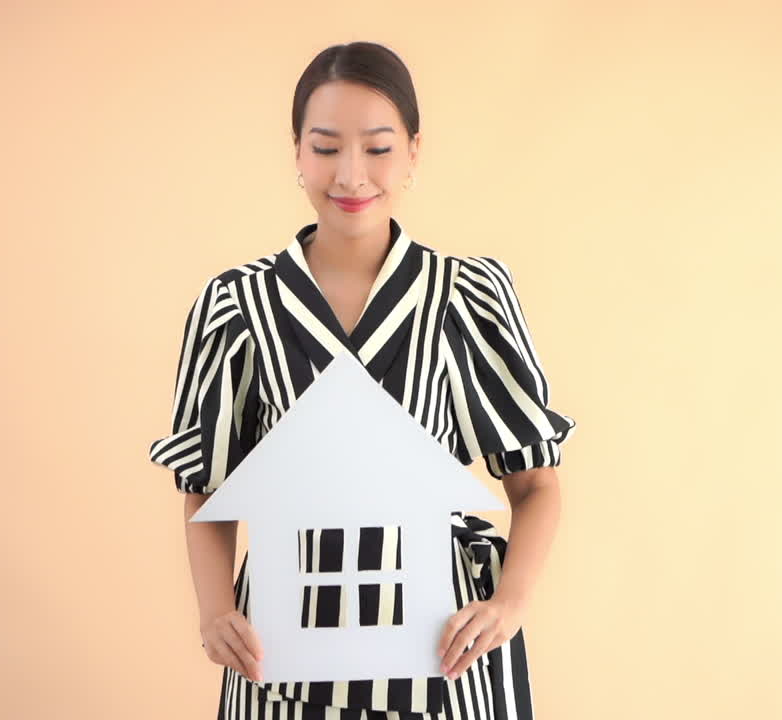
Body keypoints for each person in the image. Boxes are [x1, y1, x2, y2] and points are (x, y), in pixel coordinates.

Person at [147, 41, 576, 720]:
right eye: (326, 147)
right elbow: (206, 486)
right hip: (284, 648)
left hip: (444, 654)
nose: (351, 175)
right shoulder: (237, 305)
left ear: (413, 152)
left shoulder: (468, 295)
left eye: (378, 148)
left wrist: (509, 603)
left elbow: (536, 484)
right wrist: (215, 611)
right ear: (296, 152)